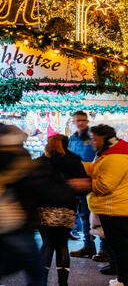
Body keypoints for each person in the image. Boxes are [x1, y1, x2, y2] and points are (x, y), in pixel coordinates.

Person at [0, 124, 73, 286]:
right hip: (19, 223)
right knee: (34, 271)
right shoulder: (21, 157)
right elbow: (35, 188)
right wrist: (66, 193)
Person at [36, 134, 88, 286]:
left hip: (43, 210)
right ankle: (63, 283)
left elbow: (32, 187)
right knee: (62, 244)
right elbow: (83, 188)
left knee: (47, 244)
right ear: (67, 146)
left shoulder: (39, 162)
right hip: (66, 209)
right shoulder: (75, 161)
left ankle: (41, 281)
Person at [81, 124, 128, 286]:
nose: (92, 142)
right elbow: (97, 170)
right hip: (114, 208)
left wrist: (84, 184)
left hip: (116, 209)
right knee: (118, 247)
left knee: (121, 248)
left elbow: (105, 185)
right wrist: (81, 166)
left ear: (105, 138)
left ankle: (123, 280)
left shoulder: (116, 156)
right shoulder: (110, 153)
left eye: (95, 139)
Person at [68, 111, 99, 259]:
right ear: (73, 122)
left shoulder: (93, 137)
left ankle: (105, 250)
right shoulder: (72, 138)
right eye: (78, 120)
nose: (81, 123)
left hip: (93, 181)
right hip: (78, 182)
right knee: (83, 215)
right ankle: (88, 246)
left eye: (84, 120)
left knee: (98, 216)